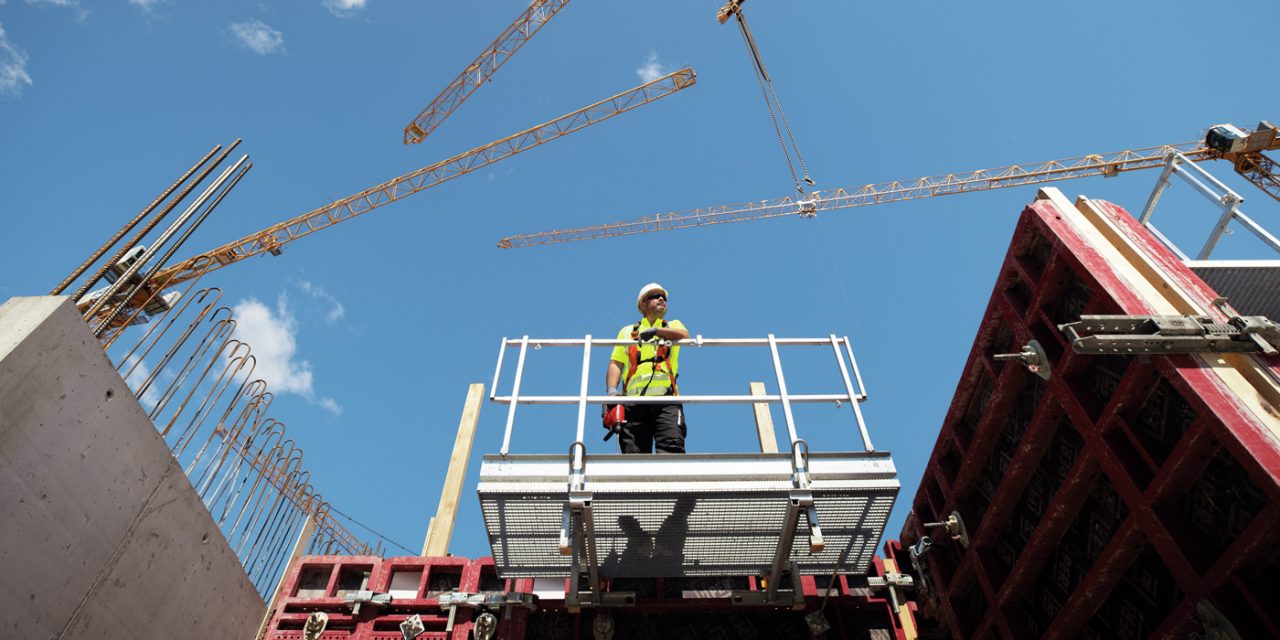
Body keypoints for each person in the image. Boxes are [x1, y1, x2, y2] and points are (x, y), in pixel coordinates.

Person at [604, 282, 690, 453]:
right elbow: (616, 363)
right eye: (655, 296)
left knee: (671, 451)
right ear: (643, 304)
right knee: (634, 455)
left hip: (667, 402)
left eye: (663, 297)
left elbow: (684, 335)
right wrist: (612, 391)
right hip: (633, 404)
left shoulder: (672, 326)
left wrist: (657, 331)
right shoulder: (627, 332)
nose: (661, 299)